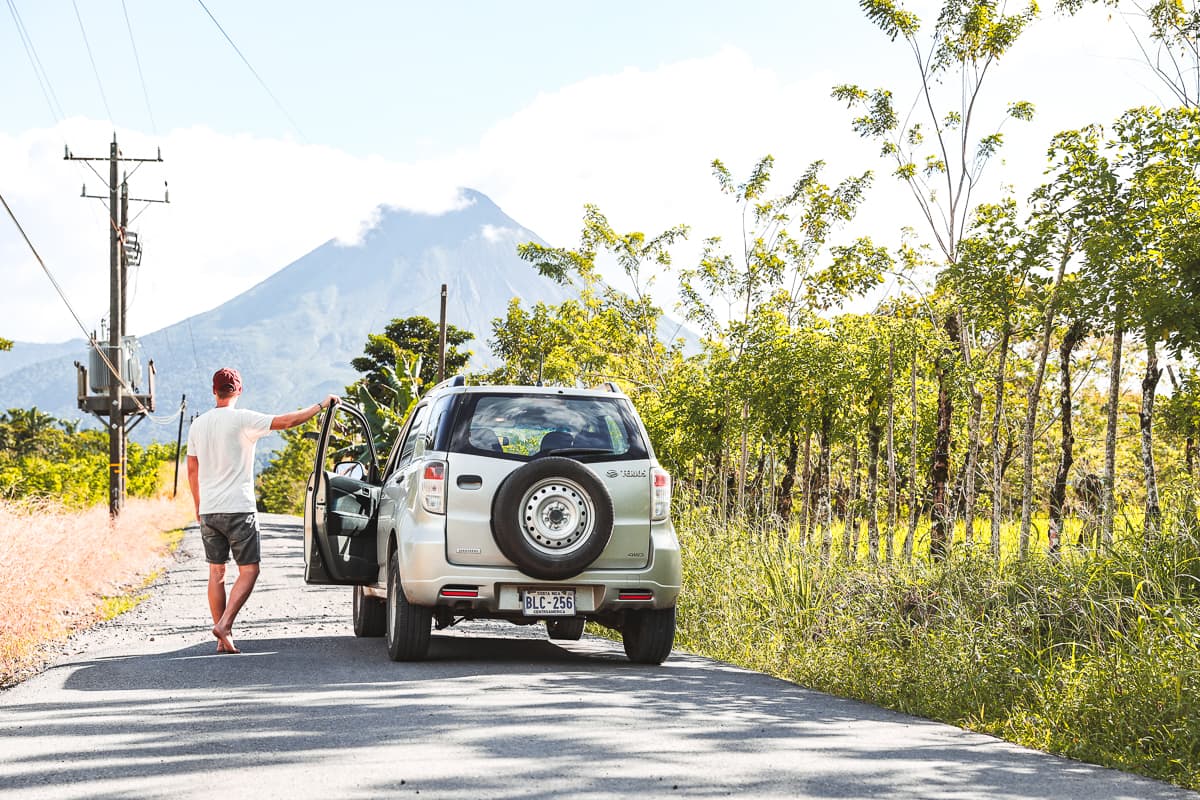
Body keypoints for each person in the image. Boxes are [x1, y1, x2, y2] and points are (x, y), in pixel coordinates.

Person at [186, 367, 337, 654]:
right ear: (239, 391)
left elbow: (192, 470)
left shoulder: (198, 425)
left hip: (209, 510)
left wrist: (197, 505)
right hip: (239, 509)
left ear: (213, 391)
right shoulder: (243, 419)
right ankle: (225, 624)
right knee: (250, 570)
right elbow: (287, 421)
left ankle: (222, 638)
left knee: (216, 572)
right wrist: (321, 405)